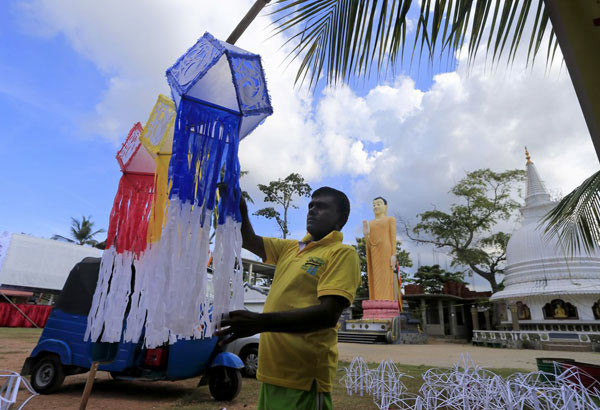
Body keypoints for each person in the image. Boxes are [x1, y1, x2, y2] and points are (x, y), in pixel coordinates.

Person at [216, 186, 361, 410]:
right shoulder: (292, 248)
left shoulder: (342, 253)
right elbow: (249, 240)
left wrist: (258, 323)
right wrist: (240, 206)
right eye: (311, 205)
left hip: (304, 377)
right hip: (272, 372)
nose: (312, 210)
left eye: (321, 206)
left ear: (339, 219)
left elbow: (328, 315)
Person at [362, 196, 396, 301]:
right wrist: (366, 234)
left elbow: (393, 238)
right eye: (374, 205)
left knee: (386, 276)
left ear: (385, 207)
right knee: (375, 275)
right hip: (374, 251)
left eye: (378, 204)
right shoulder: (370, 223)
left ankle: (387, 299)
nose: (375, 206)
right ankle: (376, 299)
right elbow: (368, 243)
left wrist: (393, 254)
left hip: (386, 250)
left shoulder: (390, 219)